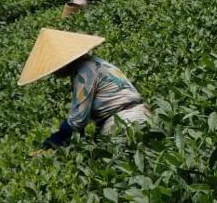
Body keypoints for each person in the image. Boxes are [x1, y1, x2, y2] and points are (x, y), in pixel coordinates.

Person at [17, 28, 150, 156]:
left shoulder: (84, 71)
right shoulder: (93, 63)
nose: (53, 72)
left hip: (125, 123)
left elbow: (78, 119)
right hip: (139, 116)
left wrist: (53, 142)